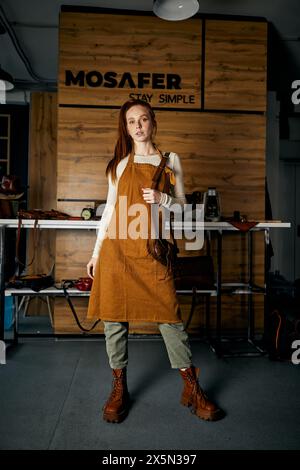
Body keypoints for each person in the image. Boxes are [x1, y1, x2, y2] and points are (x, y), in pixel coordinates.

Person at [86, 98, 223, 423]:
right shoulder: (119, 165)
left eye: (143, 119)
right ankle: (119, 387)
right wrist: (95, 254)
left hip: (152, 253)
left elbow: (182, 207)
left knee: (171, 320)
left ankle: (192, 386)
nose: (138, 125)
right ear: (126, 127)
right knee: (114, 321)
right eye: (131, 121)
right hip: (116, 252)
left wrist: (163, 199)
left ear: (153, 122)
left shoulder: (170, 160)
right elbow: (108, 216)